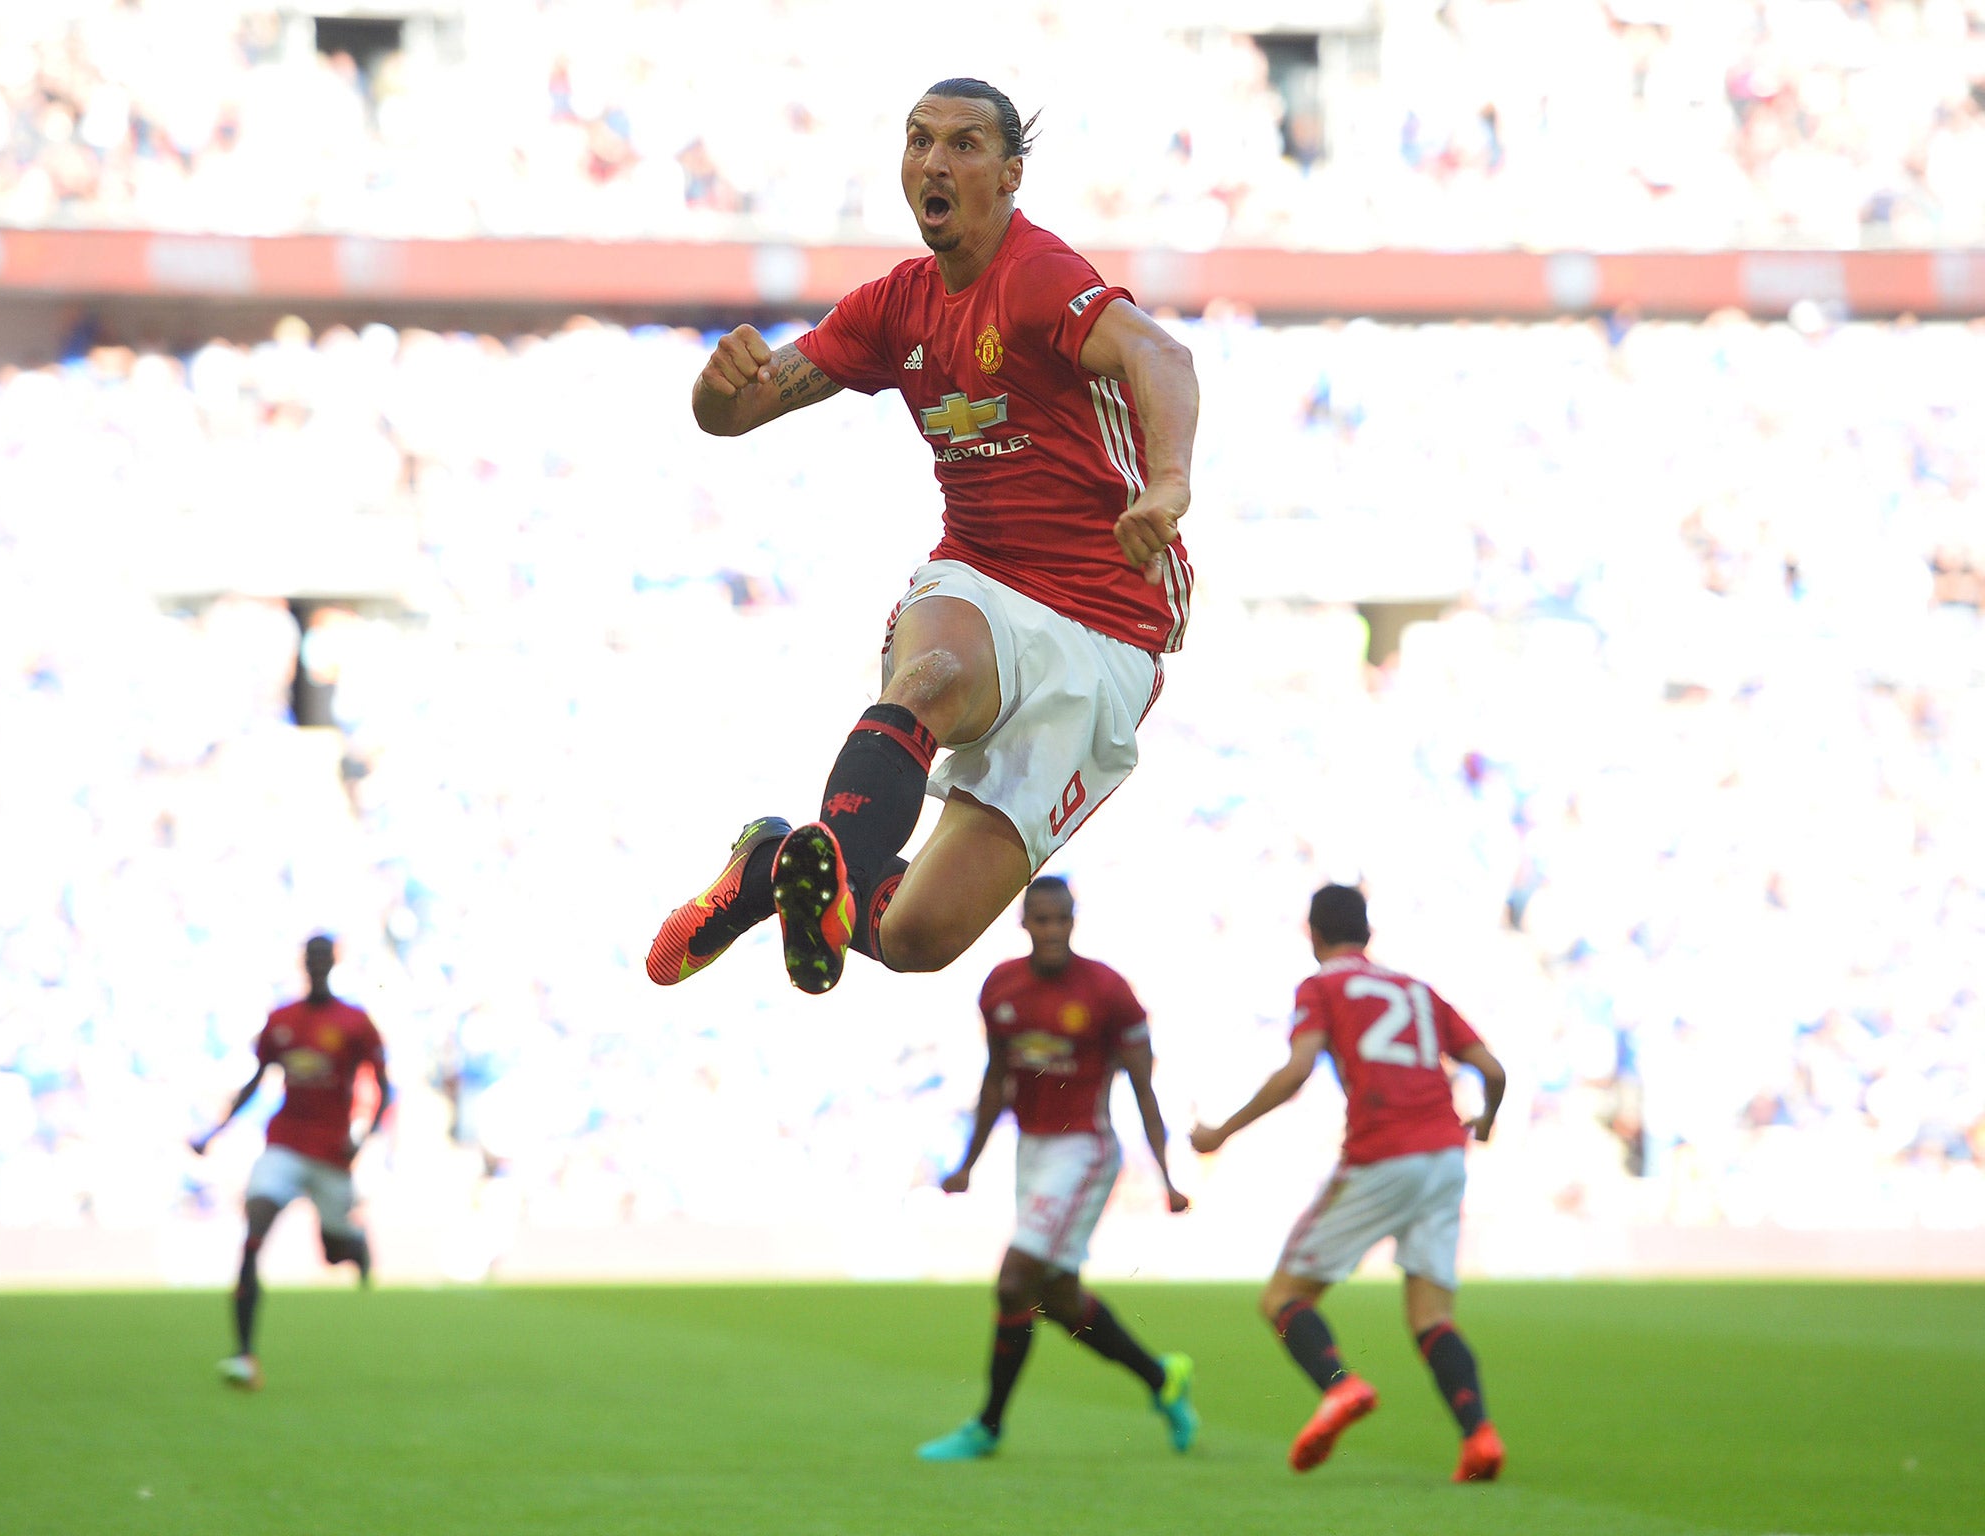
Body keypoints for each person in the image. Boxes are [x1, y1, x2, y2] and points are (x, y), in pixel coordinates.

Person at [646, 77, 1197, 996]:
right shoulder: (893, 306)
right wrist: (715, 384)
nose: (934, 161)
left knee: (917, 938)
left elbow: (1160, 353)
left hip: (1113, 626)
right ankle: (831, 865)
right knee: (932, 675)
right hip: (981, 576)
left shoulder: (1039, 277)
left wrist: (1170, 485)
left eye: (964, 144)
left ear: (1011, 175)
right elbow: (734, 413)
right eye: (918, 140)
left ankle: (773, 867)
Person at [1189, 885, 1509, 1482]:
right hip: (1444, 1155)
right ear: (1368, 934)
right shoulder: (1417, 990)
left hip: (1382, 1151)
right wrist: (1485, 1121)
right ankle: (1481, 1437)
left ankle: (1340, 1389)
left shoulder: (1321, 986)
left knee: (1283, 1296)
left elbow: (1298, 1068)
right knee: (1432, 1315)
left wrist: (1223, 1132)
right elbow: (1492, 1070)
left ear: (1312, 934)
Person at [916, 877, 1197, 1460]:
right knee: (1059, 1299)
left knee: (1015, 1280)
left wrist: (1167, 1175)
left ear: (1073, 921)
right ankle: (1161, 1377)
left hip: (1085, 1150)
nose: (1051, 931)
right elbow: (997, 1078)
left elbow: (1145, 1088)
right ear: (1024, 924)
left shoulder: (1108, 992)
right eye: (1040, 920)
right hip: (1033, 1150)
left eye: (1060, 920)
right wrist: (968, 1163)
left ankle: (988, 1426)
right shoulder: (1001, 988)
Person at [191, 935, 389, 1390]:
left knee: (333, 1252)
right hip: (283, 1144)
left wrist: (363, 1138)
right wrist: (216, 1132)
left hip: (331, 1153)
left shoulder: (356, 1023)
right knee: (254, 1231)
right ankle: (244, 1354)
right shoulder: (281, 1021)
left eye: (325, 959)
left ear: (333, 964)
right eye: (311, 959)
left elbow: (382, 1084)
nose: (318, 966)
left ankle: (354, 1244)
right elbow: (257, 1081)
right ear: (305, 964)